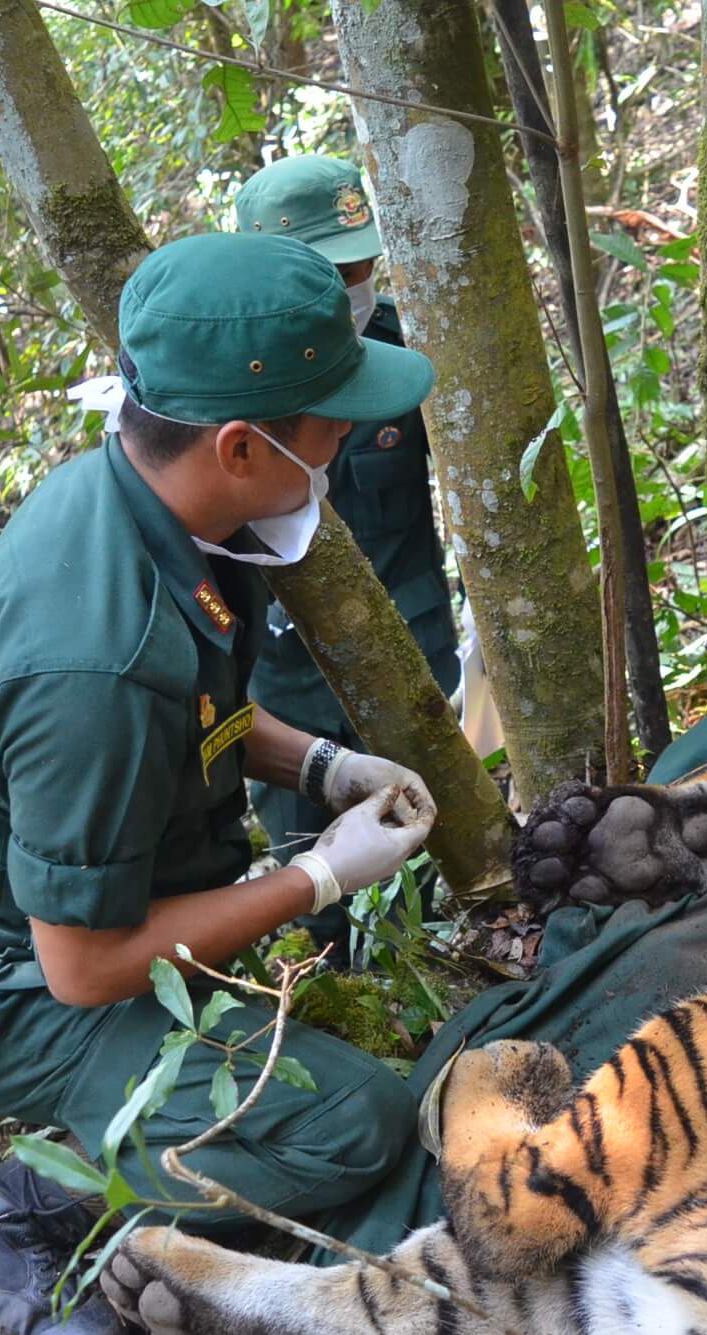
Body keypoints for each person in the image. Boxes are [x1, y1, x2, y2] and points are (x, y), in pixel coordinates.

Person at [0, 233, 441, 1335]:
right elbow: (80, 969)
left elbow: (198, 711)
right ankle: (18, 1210)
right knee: (358, 1126)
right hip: (10, 985)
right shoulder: (94, 659)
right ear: (240, 444)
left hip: (103, 899)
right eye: (331, 425)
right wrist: (318, 877)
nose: (347, 445)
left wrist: (322, 767)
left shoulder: (153, 507)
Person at [232, 155, 461, 954]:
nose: (355, 281)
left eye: (363, 260)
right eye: (334, 269)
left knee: (437, 860)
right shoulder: (230, 393)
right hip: (286, 684)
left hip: (413, 655)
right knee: (314, 900)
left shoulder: (404, 343)